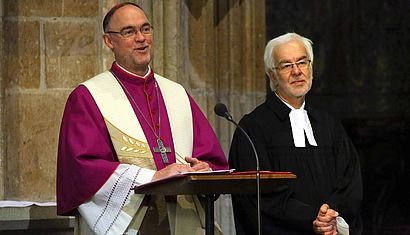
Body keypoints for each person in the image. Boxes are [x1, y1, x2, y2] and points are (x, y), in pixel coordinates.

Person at [56, 2, 228, 235]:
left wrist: (204, 169)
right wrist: (153, 177)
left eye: (146, 29)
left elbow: (212, 161)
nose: (141, 38)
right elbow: (83, 169)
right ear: (109, 41)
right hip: (131, 223)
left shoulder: (176, 93)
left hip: (184, 219)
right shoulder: (88, 96)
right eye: (129, 32)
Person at [229, 32, 362, 235]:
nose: (297, 71)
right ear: (272, 75)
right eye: (286, 65)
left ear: (311, 67)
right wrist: (312, 218)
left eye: (302, 62)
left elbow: (349, 183)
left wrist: (330, 217)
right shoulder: (253, 127)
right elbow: (257, 196)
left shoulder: (329, 125)